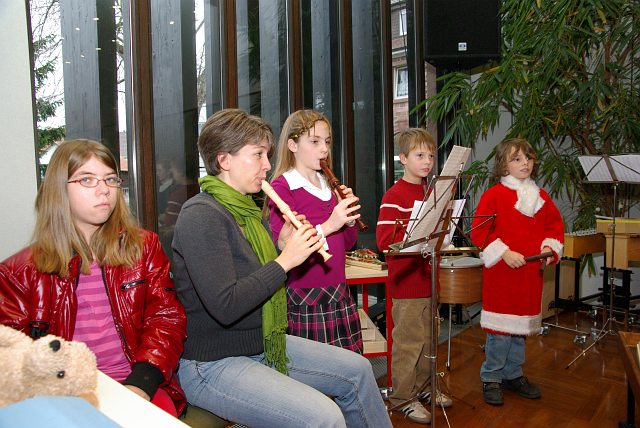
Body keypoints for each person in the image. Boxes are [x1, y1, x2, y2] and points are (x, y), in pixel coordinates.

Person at [171, 108, 391, 428]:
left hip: (262, 343)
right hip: (212, 364)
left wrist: (280, 245)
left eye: (267, 155)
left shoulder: (248, 213)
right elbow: (226, 305)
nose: (267, 165)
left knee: (358, 370)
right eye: (258, 154)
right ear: (224, 160)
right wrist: (285, 259)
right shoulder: (201, 215)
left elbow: (253, 274)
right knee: (324, 416)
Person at [0, 139, 187, 416]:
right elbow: (12, 354)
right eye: (87, 179)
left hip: (137, 380)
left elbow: (166, 318)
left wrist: (140, 384)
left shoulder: (143, 247)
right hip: (63, 392)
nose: (104, 190)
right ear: (59, 189)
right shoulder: (19, 272)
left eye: (110, 179)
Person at [470, 137, 564, 406]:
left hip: (529, 275)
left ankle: (512, 374)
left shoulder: (541, 196)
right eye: (517, 159)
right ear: (503, 165)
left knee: (520, 329)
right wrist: (504, 253)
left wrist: (549, 248)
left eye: (528, 158)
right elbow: (479, 231)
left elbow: (555, 228)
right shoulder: (494, 195)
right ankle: (491, 377)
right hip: (502, 275)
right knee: (500, 332)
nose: (525, 163)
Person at [265, 109, 362, 353]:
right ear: (293, 145)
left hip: (339, 292)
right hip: (306, 296)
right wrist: (331, 223)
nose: (324, 149)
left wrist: (349, 221)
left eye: (327, 142)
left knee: (350, 366)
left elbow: (347, 244)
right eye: (315, 141)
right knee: (315, 371)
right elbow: (288, 247)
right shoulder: (282, 187)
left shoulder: (329, 184)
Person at [375, 128, 453, 425]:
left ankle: (424, 388)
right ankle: (402, 397)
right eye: (420, 155)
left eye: (431, 156)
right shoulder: (394, 195)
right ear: (403, 158)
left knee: (429, 341)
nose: (427, 161)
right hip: (407, 282)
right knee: (408, 343)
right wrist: (414, 234)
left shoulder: (432, 193)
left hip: (429, 279)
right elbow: (384, 241)